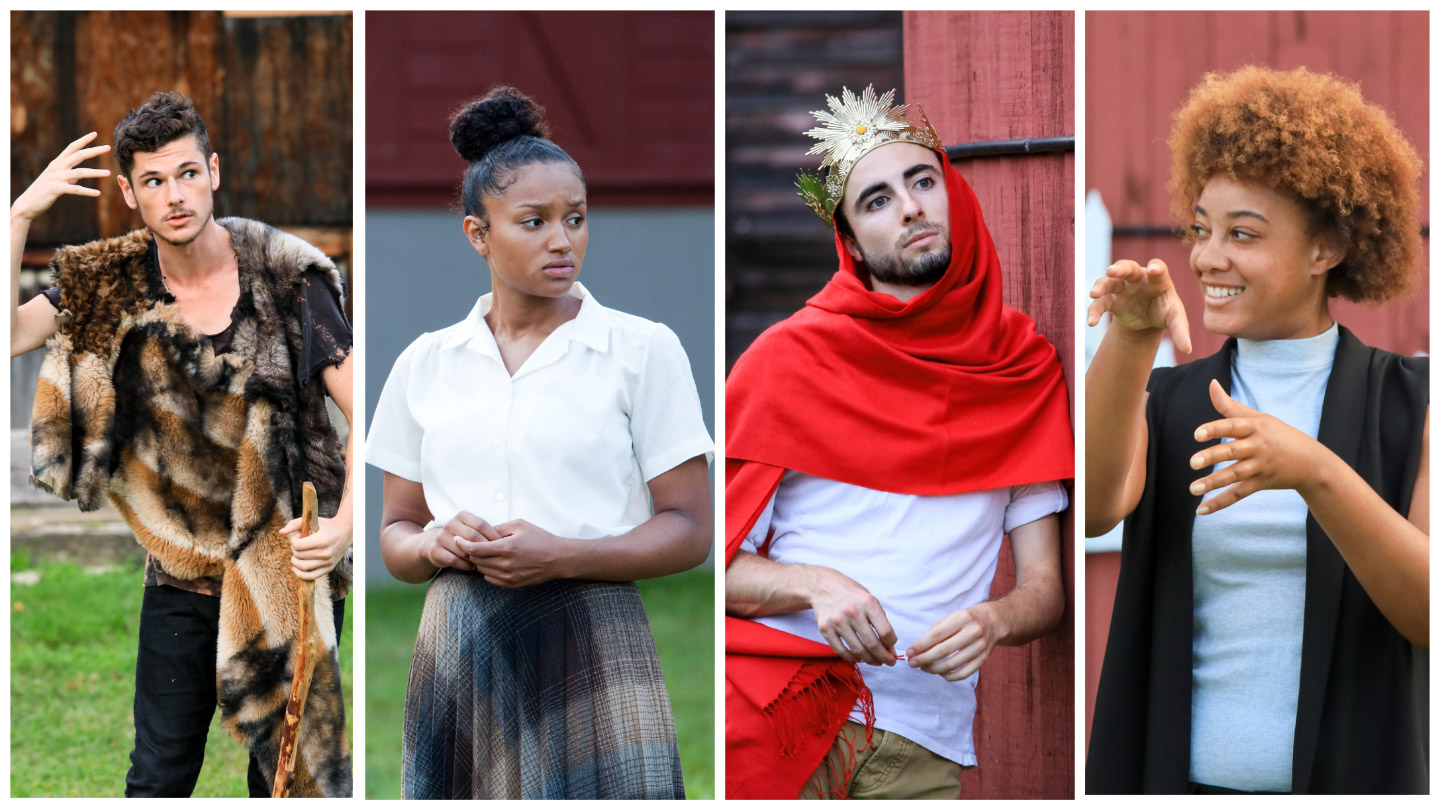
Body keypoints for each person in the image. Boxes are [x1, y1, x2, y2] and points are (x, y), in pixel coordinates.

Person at [723, 85, 1073, 800]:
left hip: (920, 743)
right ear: (850, 241)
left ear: (955, 195)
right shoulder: (785, 362)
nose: (911, 207)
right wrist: (815, 585)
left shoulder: (1020, 368)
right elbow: (717, 572)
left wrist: (996, 618)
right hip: (776, 707)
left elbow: (1045, 592)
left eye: (922, 181)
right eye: (877, 200)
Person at [1085, 66, 1428, 794]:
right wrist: (1130, 340)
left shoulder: (1416, 404)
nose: (1208, 257)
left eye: (1242, 234)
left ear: (1325, 249)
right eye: (1202, 230)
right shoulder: (1171, 401)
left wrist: (1315, 470)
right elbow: (1091, 506)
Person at [367, 86, 713, 800]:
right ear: (477, 234)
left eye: (576, 218)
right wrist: (434, 543)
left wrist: (564, 556)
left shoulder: (641, 350)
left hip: (593, 630)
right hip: (461, 642)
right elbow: (395, 537)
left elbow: (691, 529)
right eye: (534, 221)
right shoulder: (424, 362)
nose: (563, 240)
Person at [11, 91, 353, 798]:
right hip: (179, 575)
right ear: (132, 195)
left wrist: (345, 527)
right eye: (155, 182)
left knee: (292, 784)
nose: (176, 195)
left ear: (214, 171)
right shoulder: (111, 280)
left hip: (284, 569)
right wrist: (18, 216)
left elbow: (372, 410)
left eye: (188, 173)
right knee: (158, 778)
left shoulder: (287, 274)